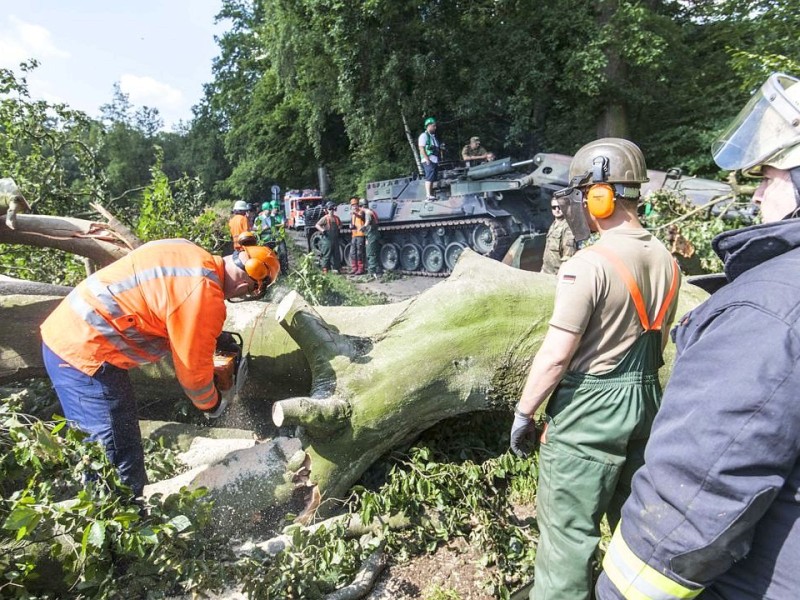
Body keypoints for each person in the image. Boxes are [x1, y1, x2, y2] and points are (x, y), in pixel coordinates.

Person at [596, 72, 800, 600]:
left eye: (770, 176)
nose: (756, 193)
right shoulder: (663, 255)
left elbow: (697, 494)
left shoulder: (772, 304)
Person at [509, 138, 681, 600]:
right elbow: (658, 342)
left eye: (583, 194)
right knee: (637, 537)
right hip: (646, 405)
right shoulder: (668, 261)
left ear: (601, 195)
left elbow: (556, 354)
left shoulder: (587, 265)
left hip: (589, 416)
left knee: (567, 541)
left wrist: (526, 413)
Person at [40, 239, 281, 497]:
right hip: (85, 353)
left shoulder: (191, 253)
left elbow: (167, 300)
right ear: (248, 287)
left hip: (70, 333)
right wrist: (214, 404)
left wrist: (214, 336)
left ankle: (115, 512)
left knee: (113, 443)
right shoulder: (203, 295)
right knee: (114, 457)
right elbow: (193, 376)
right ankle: (120, 524)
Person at [540, 199, 577, 274]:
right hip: (546, 270)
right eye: (554, 207)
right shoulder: (553, 225)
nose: (557, 210)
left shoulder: (568, 227)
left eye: (559, 207)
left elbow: (568, 255)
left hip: (557, 273)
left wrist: (562, 273)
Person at [315, 201, 341, 274]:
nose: (331, 211)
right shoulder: (325, 218)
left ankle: (336, 268)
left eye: (332, 209)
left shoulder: (336, 218)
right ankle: (325, 269)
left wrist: (339, 228)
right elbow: (317, 225)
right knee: (326, 254)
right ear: (327, 210)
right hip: (327, 239)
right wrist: (323, 230)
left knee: (336, 254)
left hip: (335, 239)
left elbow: (340, 225)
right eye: (330, 209)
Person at [418, 116, 441, 201]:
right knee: (429, 177)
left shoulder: (433, 137)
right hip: (428, 160)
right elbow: (421, 148)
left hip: (434, 160)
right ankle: (428, 195)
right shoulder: (424, 136)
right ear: (428, 126)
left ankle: (431, 194)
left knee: (432, 177)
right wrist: (427, 159)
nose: (435, 127)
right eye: (433, 126)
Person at [360, 198, 381, 279]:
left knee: (370, 253)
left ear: (361, 206)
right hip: (373, 234)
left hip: (371, 234)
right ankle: (376, 269)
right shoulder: (371, 211)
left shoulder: (367, 213)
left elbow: (368, 221)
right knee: (374, 252)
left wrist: (363, 227)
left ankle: (372, 272)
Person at [349, 197, 366, 275]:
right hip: (354, 235)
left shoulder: (361, 212)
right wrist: (350, 226)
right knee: (353, 252)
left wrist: (354, 213)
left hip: (360, 234)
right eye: (353, 205)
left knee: (359, 252)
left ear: (358, 205)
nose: (354, 206)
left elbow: (361, 217)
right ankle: (354, 268)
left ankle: (360, 268)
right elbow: (352, 222)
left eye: (355, 205)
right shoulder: (353, 214)